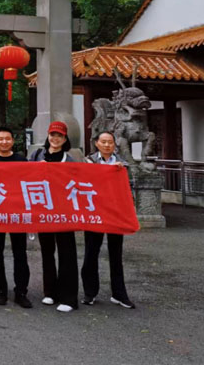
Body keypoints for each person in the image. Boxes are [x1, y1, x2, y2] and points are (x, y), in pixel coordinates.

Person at [81, 132, 135, 309]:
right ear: (96, 144)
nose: (106, 145)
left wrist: (121, 172)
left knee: (116, 254)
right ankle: (90, 292)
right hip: (95, 212)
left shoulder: (122, 163)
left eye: (110, 142)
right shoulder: (88, 161)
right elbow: (83, 182)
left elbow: (129, 186)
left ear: (114, 145)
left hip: (116, 213)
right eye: (103, 142)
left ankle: (119, 294)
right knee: (91, 252)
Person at [0, 126, 33, 309]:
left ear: (13, 141)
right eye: (0, 139)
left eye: (7, 138)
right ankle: (1, 290)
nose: (4, 142)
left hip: (17, 213)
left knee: (20, 253)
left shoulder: (22, 160)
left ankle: (21, 292)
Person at [31, 121, 79, 313]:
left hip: (64, 213)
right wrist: (37, 169)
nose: (55, 138)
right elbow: (26, 178)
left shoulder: (70, 160)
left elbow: (79, 183)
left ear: (65, 139)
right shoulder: (37, 156)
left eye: (60, 136)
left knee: (67, 253)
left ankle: (69, 297)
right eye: (53, 135)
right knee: (47, 252)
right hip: (44, 211)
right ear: (48, 136)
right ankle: (50, 291)